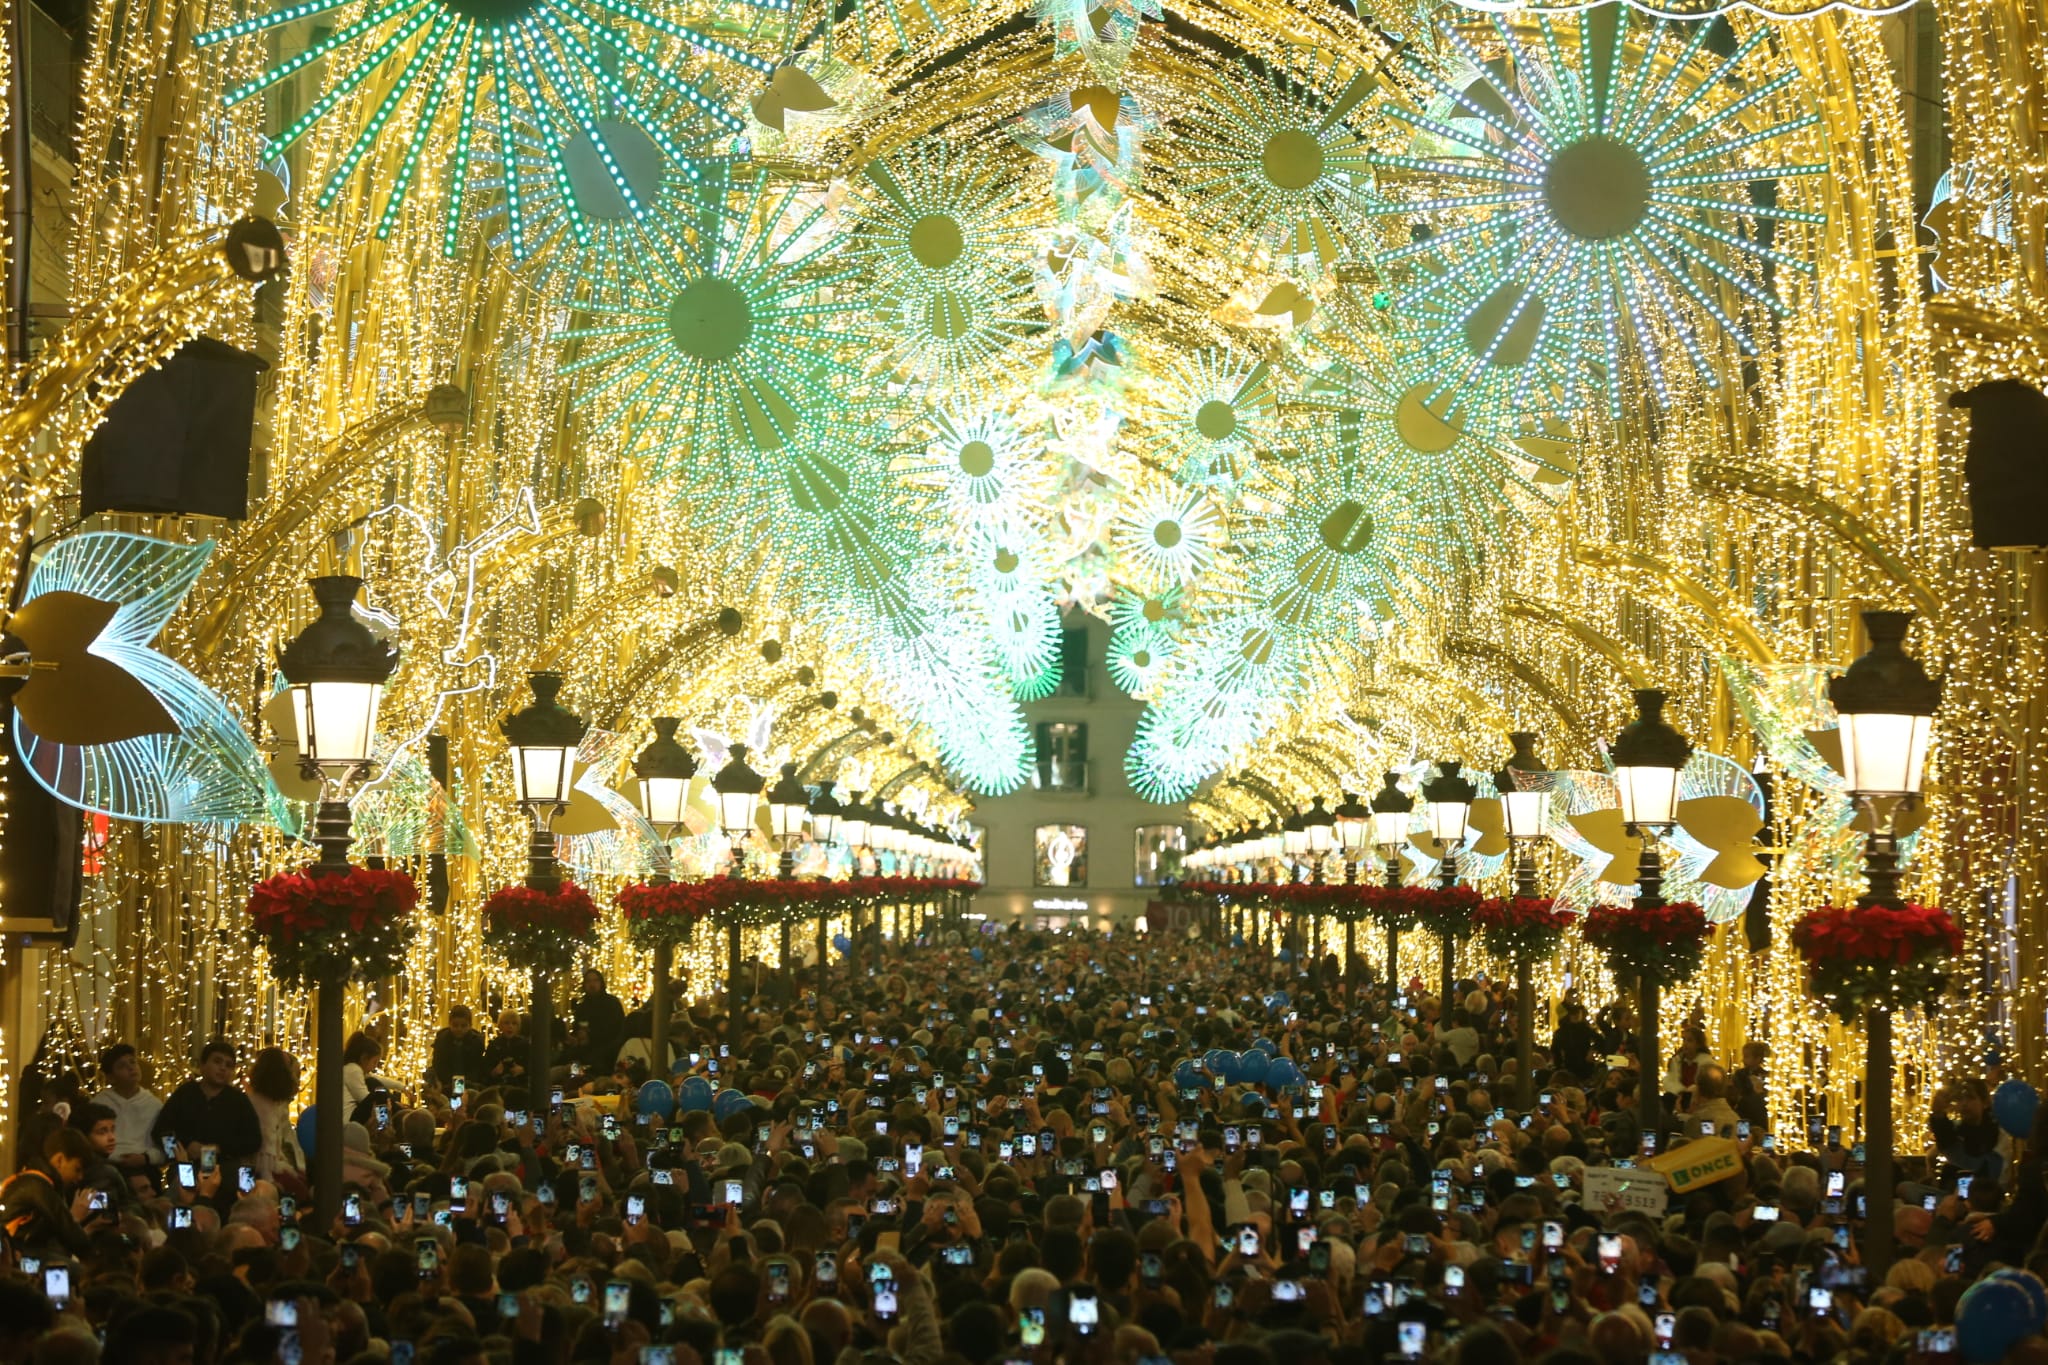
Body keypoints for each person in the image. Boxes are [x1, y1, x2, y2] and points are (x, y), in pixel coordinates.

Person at [149, 1040, 262, 1184]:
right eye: (217, 1062)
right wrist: (184, 1147)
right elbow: (161, 1131)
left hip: (227, 1166)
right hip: (187, 1163)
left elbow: (253, 1140)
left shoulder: (238, 1100)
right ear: (202, 1065)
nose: (223, 1068)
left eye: (228, 1065)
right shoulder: (185, 1093)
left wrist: (219, 1148)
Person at [0, 1126, 102, 1259]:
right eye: (77, 1169)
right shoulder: (39, 1186)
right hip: (17, 1256)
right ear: (59, 1160)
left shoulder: (32, 1181)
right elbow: (68, 1229)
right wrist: (96, 1260)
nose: (80, 1177)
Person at [90, 1041, 162, 1178]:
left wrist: (145, 1158)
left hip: (144, 1167)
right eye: (122, 1066)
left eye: (133, 1062)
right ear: (111, 1077)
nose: (131, 1068)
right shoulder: (98, 1104)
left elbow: (164, 1147)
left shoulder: (154, 1104)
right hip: (107, 1166)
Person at [246, 1046, 305, 1191]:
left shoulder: (277, 1105)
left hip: (277, 1163)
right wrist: (269, 1179)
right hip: (263, 1168)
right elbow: (267, 1144)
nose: (298, 1082)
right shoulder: (264, 1105)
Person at [572, 968, 625, 1076]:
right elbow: (577, 1026)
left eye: (595, 980)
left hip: (608, 1048)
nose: (592, 984)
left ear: (601, 983)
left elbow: (614, 1029)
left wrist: (591, 1035)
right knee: (572, 1059)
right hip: (585, 1048)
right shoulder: (582, 1006)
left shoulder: (611, 1003)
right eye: (588, 981)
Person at [431, 1005, 488, 1089]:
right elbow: (439, 1065)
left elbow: (476, 1067)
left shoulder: (476, 1042)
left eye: (463, 1026)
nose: (459, 1029)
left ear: (470, 1025)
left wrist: (464, 1084)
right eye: (455, 1025)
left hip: (470, 1084)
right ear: (449, 1024)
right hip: (446, 1083)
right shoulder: (442, 1041)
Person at [482, 1009, 526, 1085]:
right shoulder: (494, 1044)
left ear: (518, 1027)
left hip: (520, 1084)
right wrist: (494, 1072)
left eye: (514, 1023)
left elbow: (533, 1066)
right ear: (500, 1026)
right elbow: (485, 1068)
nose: (510, 1026)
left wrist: (523, 1070)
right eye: (506, 1023)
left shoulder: (524, 1044)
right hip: (498, 1084)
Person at [341, 1031, 383, 1109]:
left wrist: (402, 1087)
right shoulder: (353, 1070)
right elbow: (365, 1099)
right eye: (374, 1062)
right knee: (375, 1085)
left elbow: (380, 1079)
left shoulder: (352, 1069)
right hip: (350, 1118)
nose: (375, 1066)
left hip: (352, 1116)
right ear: (364, 1058)